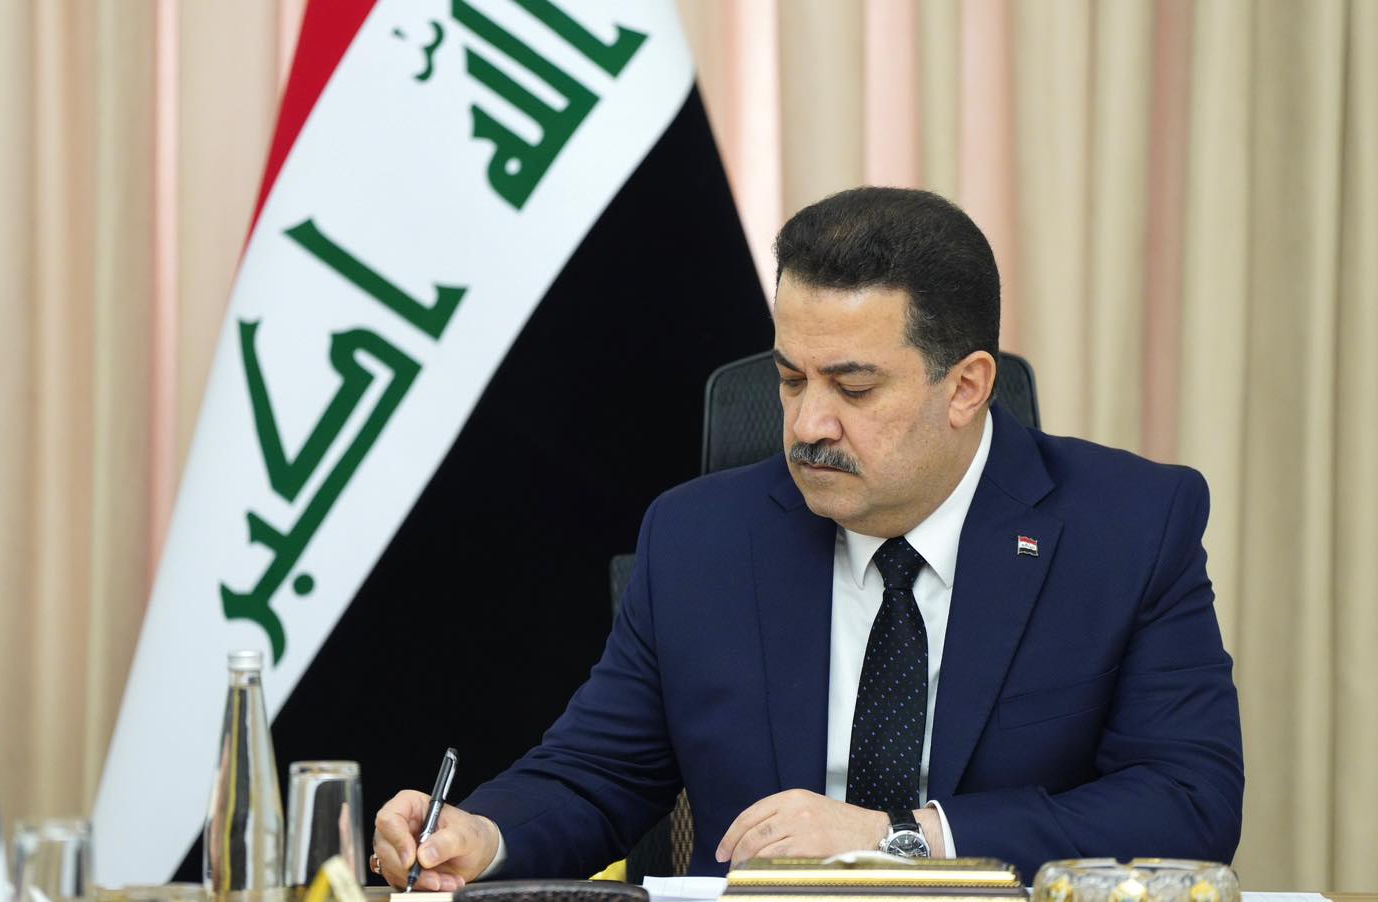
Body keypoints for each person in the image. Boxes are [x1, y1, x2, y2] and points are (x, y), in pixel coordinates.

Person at [371, 188, 1243, 888]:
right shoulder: (700, 540)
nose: (807, 424)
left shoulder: (1127, 527)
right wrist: (481, 834)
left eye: (853, 389)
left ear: (967, 387)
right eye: (790, 379)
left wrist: (900, 838)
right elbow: (594, 774)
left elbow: (1186, 801)